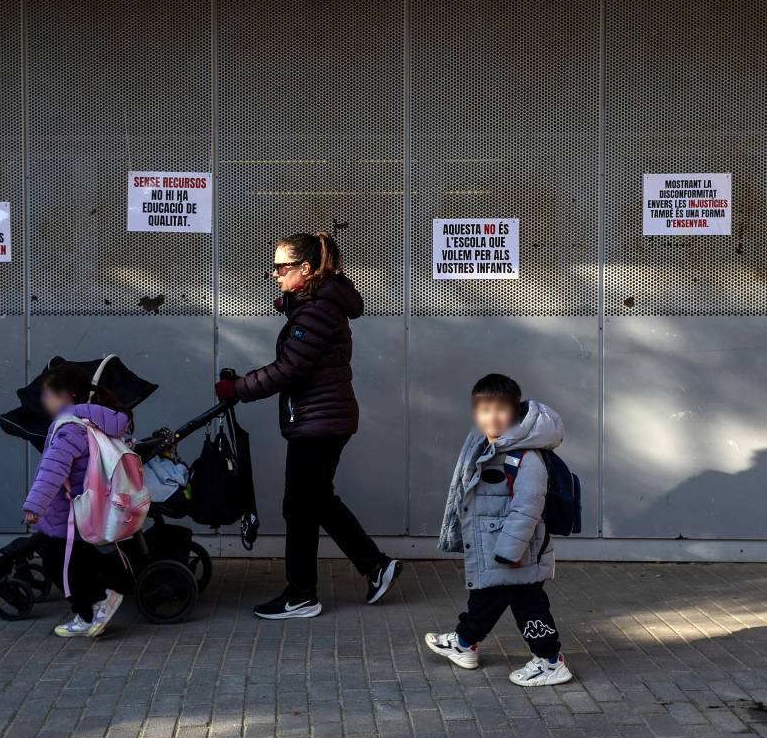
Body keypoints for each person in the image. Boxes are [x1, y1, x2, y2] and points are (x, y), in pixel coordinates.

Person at [214, 231, 401, 620]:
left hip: (319, 421)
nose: (275, 274)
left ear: (306, 268)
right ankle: (375, 565)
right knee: (316, 500)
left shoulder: (317, 310)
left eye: (281, 267)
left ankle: (301, 594)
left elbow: (289, 368)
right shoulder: (316, 305)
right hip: (323, 418)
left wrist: (238, 388)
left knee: (299, 507)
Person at [425, 374, 573, 686]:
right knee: (485, 597)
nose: (491, 417)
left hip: (518, 551)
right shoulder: (487, 446)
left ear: (515, 412)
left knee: (529, 606)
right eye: (484, 410)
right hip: (495, 547)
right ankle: (464, 643)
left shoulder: (525, 456)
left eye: (500, 409)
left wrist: (509, 551)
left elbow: (528, 508)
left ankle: (550, 661)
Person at [22, 363, 129, 638]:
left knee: (57, 564)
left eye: (47, 394)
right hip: (86, 508)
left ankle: (100, 600)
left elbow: (53, 470)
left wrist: (34, 507)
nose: (44, 400)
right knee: (79, 562)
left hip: (68, 513)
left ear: (66, 395)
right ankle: (86, 614)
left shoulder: (69, 428)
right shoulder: (96, 421)